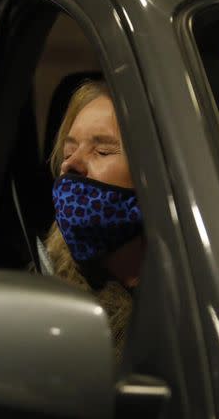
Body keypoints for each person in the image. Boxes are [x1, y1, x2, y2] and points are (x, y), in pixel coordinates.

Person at [42, 79, 144, 360]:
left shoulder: (195, 306)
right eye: (68, 150)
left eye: (102, 151)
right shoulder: (48, 303)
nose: (70, 164)